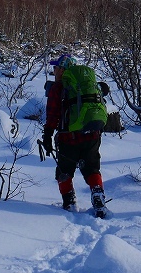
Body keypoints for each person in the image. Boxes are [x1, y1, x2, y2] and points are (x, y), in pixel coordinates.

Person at [42, 54, 110, 218]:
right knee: (92, 168)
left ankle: (70, 203)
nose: (54, 71)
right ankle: (97, 195)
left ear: (63, 69)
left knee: (64, 172)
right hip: (92, 134)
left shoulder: (58, 88)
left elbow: (52, 116)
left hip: (68, 138)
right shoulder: (89, 84)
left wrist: (47, 136)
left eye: (56, 68)